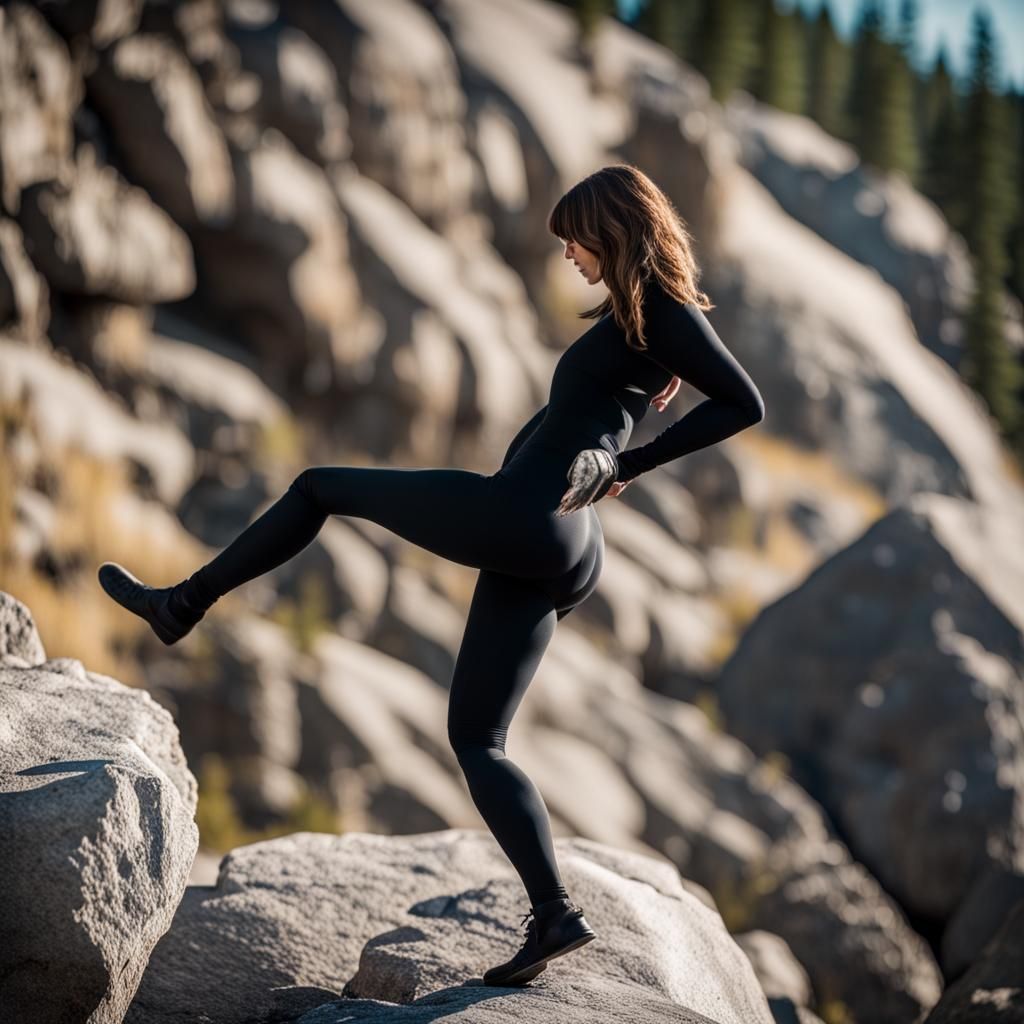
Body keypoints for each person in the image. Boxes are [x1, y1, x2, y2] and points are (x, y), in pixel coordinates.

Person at [98, 163, 765, 987]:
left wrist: (633, 462)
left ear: (613, 230)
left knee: (319, 487)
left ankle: (182, 603)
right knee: (477, 740)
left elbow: (744, 403)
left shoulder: (660, 313)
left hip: (524, 516)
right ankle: (555, 914)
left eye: (574, 239)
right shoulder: (643, 316)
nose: (566, 255)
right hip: (560, 541)